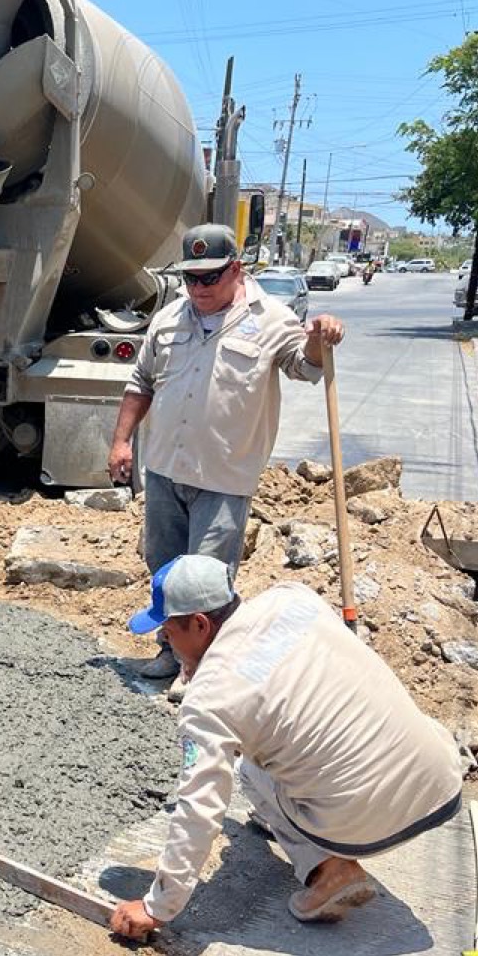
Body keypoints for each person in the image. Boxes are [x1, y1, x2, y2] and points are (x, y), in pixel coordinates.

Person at [108, 555, 465, 940]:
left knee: (251, 773)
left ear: (199, 623)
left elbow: (200, 807)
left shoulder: (209, 697)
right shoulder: (293, 598)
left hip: (369, 820)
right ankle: (299, 826)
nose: (167, 643)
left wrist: (157, 907)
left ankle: (329, 869)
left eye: (168, 632)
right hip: (440, 784)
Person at [107, 223, 346, 679]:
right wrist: (121, 441)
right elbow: (140, 382)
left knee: (207, 580)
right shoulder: (169, 317)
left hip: (224, 477)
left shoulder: (271, 318)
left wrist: (319, 337)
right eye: (190, 278)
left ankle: (204, 670)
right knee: (165, 570)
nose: (197, 288)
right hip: (164, 468)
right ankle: (171, 652)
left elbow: (304, 366)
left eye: (209, 277)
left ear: (235, 268)